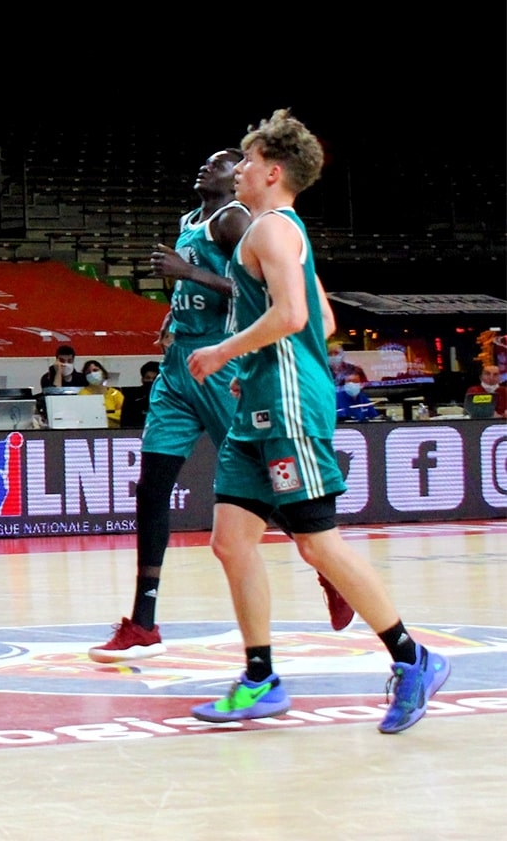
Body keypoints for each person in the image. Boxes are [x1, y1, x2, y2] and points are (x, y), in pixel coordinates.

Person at [185, 111, 446, 733]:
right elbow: (326, 320)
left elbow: (298, 316)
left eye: (247, 162)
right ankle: (260, 678)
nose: (240, 170)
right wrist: (258, 362)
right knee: (230, 541)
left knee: (316, 541)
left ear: (272, 173)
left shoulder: (271, 231)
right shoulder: (276, 231)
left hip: (290, 410)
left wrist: (226, 352)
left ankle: (414, 659)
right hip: (260, 405)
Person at [90, 147, 349, 665]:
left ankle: (329, 570)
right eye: (203, 161)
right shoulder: (192, 218)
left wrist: (188, 274)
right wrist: (174, 313)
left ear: (237, 177)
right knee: (152, 485)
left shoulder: (234, 220)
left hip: (222, 363)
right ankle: (143, 621)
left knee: (268, 488)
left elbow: (251, 292)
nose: (204, 167)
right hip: (180, 365)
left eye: (217, 163)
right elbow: (200, 289)